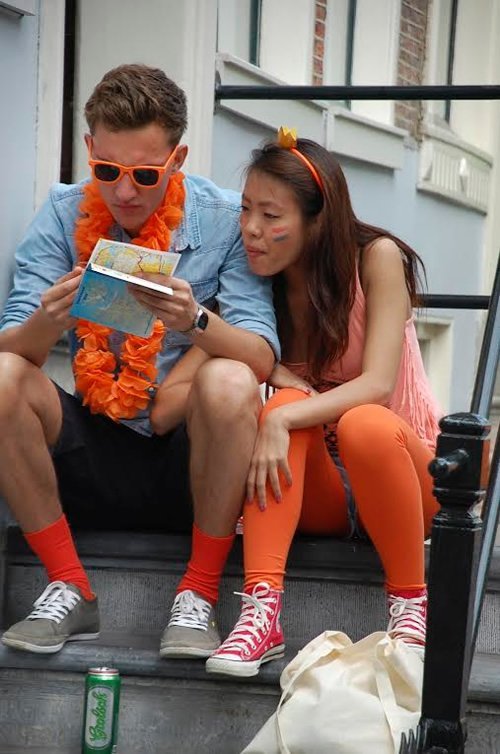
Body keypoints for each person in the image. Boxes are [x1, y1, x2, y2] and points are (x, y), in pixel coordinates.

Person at [0, 64, 280, 656]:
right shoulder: (63, 210)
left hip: (189, 455)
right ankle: (68, 585)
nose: (123, 193)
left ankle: (200, 594)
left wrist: (195, 320)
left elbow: (260, 355)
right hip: (91, 446)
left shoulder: (227, 219)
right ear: (88, 149)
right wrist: (51, 321)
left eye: (145, 175)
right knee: (1, 378)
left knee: (229, 378)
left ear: (177, 161)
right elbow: (11, 348)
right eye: (106, 171)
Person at [205, 127, 442, 678]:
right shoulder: (256, 283)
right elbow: (232, 360)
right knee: (286, 401)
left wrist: (283, 410)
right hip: (325, 493)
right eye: (244, 211)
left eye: (271, 215)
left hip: (406, 476)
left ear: (317, 221)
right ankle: (262, 612)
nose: (251, 230)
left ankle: (410, 605)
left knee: (360, 421)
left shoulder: (375, 259)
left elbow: (378, 383)